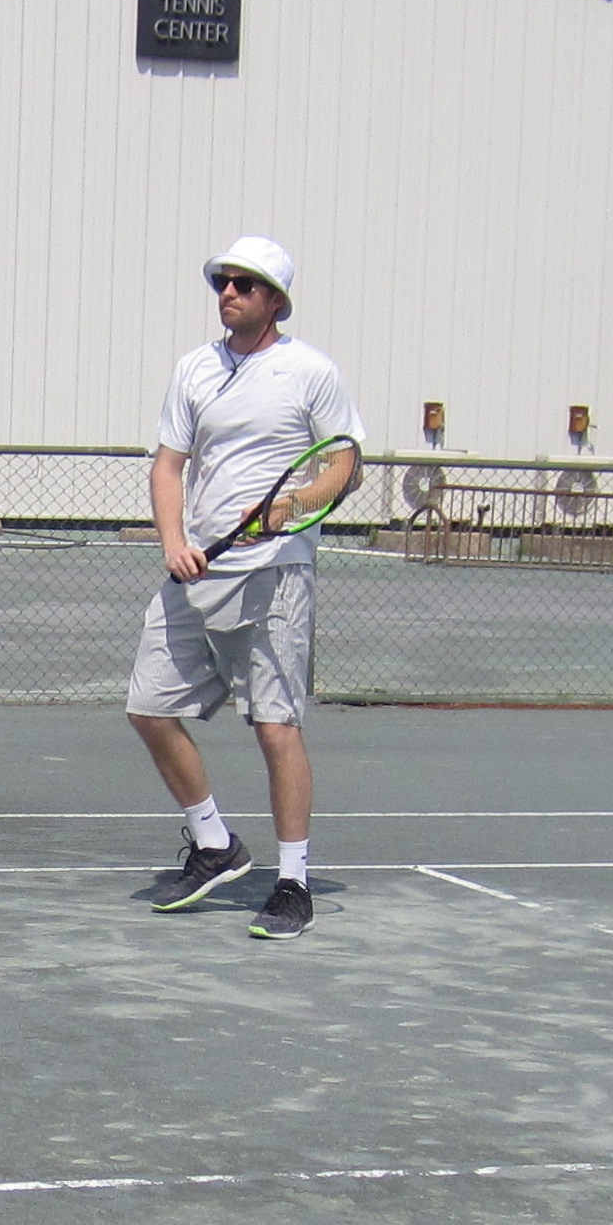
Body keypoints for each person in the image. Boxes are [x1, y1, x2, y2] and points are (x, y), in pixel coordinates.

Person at [127, 235, 365, 939]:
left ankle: (292, 884)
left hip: (276, 574)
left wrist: (291, 505)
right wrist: (174, 542)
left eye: (244, 284)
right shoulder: (194, 370)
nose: (229, 292)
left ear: (275, 301)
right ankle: (214, 844)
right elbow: (168, 467)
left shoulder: (310, 372)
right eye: (223, 282)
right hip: (195, 571)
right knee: (147, 707)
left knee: (275, 727)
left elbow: (346, 463)